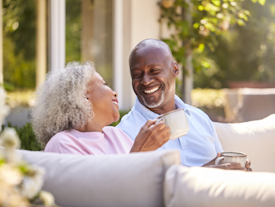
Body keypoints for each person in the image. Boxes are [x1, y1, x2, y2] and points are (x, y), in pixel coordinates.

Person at [117, 39, 251, 170]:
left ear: (175, 69)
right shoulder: (125, 132)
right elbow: (133, 187)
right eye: (137, 74)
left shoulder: (200, 118)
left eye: (154, 71)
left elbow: (221, 163)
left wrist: (236, 172)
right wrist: (203, 174)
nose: (145, 81)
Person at [31, 61, 170, 155]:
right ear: (83, 97)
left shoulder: (117, 135)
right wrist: (140, 152)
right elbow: (92, 194)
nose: (114, 92)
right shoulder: (62, 143)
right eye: (104, 84)